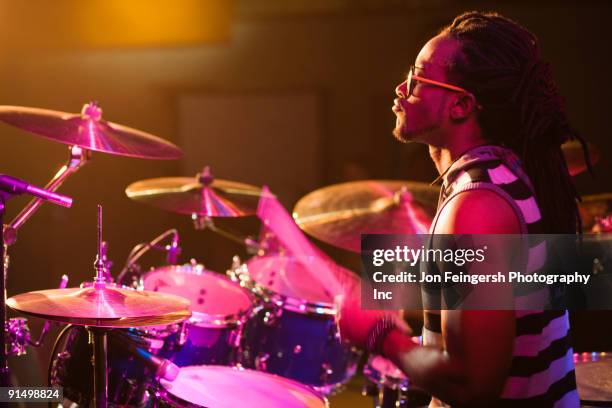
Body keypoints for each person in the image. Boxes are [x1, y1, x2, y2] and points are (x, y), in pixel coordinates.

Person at [339, 11, 590, 407]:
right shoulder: (504, 174)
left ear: (460, 105)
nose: (401, 88)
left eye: (419, 78)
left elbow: (473, 386)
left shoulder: (477, 206)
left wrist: (381, 336)